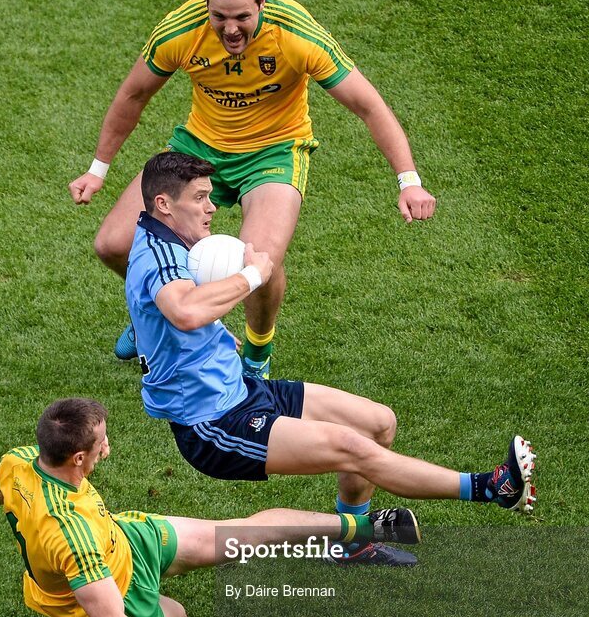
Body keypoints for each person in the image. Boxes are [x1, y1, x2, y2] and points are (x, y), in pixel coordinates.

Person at [124, 152, 537, 566]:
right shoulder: (156, 255)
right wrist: (253, 276)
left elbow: (171, 316)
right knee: (352, 447)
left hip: (241, 389)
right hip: (212, 422)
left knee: (377, 423)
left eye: (209, 197)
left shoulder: (172, 242)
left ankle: (351, 548)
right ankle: (491, 487)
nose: (211, 207)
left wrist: (211, 334)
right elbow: (185, 310)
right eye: (199, 198)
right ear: (164, 204)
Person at [69, 0, 437, 379]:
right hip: (201, 145)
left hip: (274, 152)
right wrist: (98, 170)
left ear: (261, 3)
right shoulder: (180, 31)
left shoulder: (295, 33)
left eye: (242, 16)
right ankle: (152, 313)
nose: (230, 29)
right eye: (219, 17)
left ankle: (256, 354)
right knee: (113, 243)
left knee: (258, 262)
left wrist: (408, 181)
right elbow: (133, 96)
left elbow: (368, 105)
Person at [0, 397, 424, 617]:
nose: (108, 449)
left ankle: (362, 531)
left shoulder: (17, 461)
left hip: (122, 537)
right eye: (101, 444)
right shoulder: (71, 536)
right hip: (111, 589)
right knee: (176, 615)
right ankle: (154, 604)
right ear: (77, 458)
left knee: (244, 534)